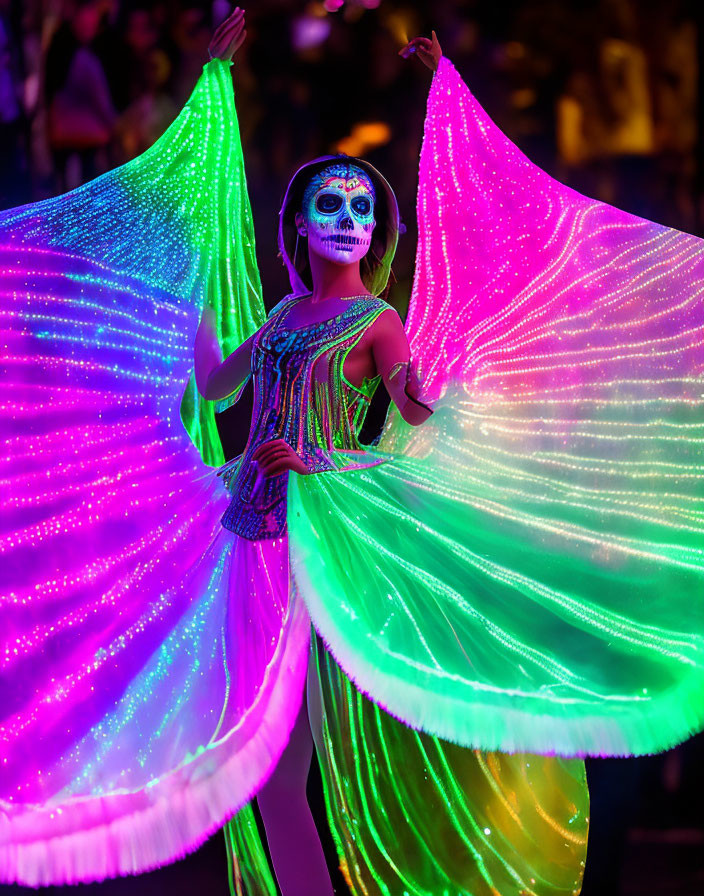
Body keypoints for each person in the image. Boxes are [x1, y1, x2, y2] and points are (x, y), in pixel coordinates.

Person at [1, 5, 702, 896]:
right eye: (329, 204)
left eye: (361, 208)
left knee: (313, 758)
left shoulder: (376, 320)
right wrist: (188, 315)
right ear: (300, 222)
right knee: (257, 767)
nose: (346, 217)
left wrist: (396, 412)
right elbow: (219, 388)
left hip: (325, 540)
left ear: (378, 230)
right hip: (244, 534)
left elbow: (406, 414)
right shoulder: (288, 315)